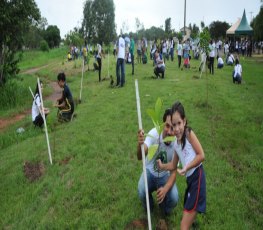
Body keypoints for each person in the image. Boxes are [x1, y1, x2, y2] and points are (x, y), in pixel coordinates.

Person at [157, 101, 206, 230]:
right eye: (173, 125)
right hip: (190, 180)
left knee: (183, 226)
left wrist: (186, 167)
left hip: (197, 178)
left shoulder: (188, 133)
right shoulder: (176, 144)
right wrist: (162, 166)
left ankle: (189, 221)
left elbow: (201, 155)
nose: (177, 128)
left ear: (184, 121)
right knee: (188, 208)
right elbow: (173, 165)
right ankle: (192, 219)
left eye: (179, 123)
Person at [137, 108, 179, 216]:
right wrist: (140, 144)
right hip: (149, 172)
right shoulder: (154, 134)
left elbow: (174, 172)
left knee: (174, 198)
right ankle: (149, 207)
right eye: (167, 126)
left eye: (173, 127)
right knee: (141, 190)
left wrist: (165, 189)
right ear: (162, 124)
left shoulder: (177, 144)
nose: (169, 131)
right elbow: (140, 156)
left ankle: (164, 210)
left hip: (165, 175)